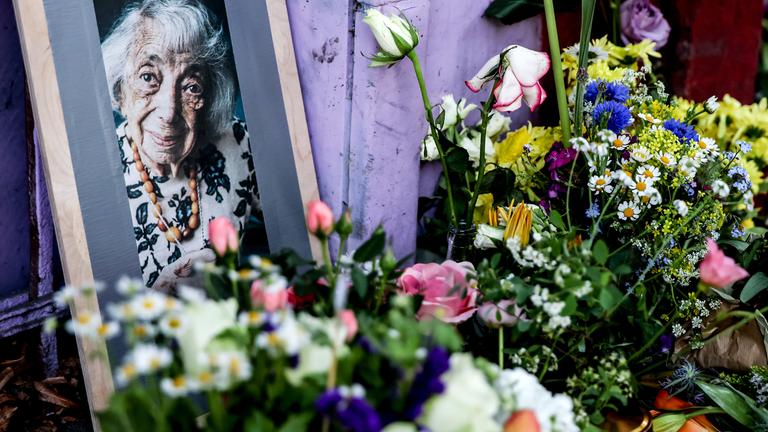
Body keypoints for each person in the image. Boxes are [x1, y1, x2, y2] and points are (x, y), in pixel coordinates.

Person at [101, 0, 257, 290]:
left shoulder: (238, 143)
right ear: (121, 88)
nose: (169, 111)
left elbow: (296, 228)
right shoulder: (98, 179)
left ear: (209, 99)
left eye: (191, 87)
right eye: (148, 77)